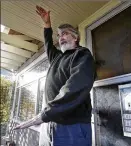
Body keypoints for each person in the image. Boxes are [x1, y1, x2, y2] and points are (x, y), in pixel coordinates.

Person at [13, 5, 96, 146]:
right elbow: (49, 45)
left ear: (76, 37)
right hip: (50, 122)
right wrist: (47, 25)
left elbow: (75, 86)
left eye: (64, 33)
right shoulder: (58, 58)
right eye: (59, 35)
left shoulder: (82, 54)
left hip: (72, 126)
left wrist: (45, 114)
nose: (60, 37)